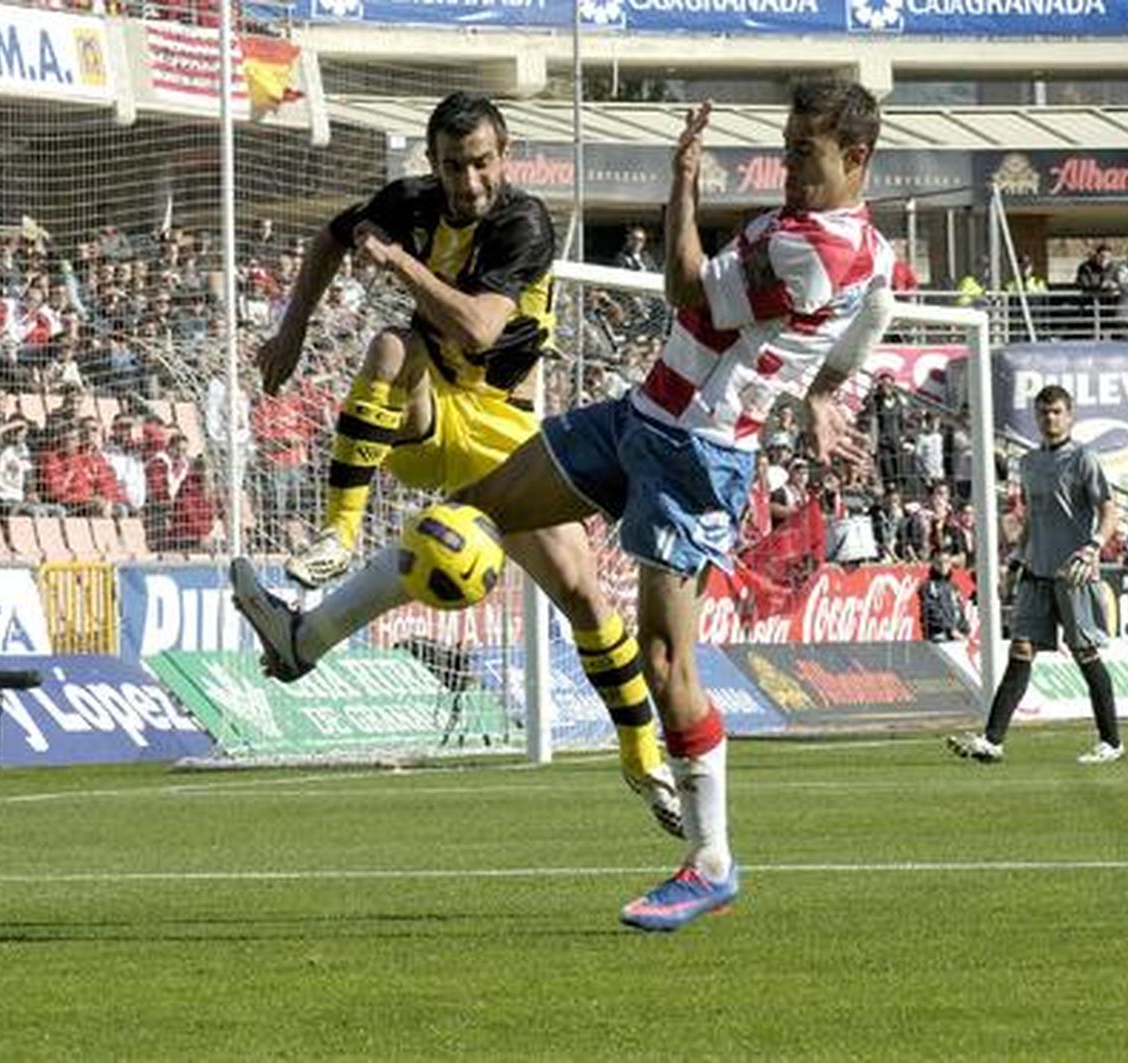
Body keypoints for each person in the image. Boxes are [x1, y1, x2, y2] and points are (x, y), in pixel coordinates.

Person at [231, 81, 896, 930]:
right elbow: (874, 312)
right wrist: (821, 388)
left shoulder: (815, 248)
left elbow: (684, 288)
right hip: (638, 418)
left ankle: (711, 858)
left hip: (698, 457)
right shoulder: (864, 248)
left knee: (666, 665)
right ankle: (305, 636)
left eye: (807, 152)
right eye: (788, 143)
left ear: (857, 159)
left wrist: (683, 180)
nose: (789, 163)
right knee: (467, 512)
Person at [240, 91, 682, 839]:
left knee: (585, 597)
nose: (468, 180)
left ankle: (644, 759)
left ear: (502, 159)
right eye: (452, 165)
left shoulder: (524, 223)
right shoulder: (407, 202)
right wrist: (291, 330)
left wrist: (401, 266)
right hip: (430, 406)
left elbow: (480, 329)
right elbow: (331, 236)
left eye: (480, 163)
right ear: (432, 163)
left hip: (506, 429)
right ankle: (337, 533)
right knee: (388, 348)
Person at [947, 384, 1124, 765]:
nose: (1050, 419)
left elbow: (1110, 510)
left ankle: (1111, 741)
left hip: (1073, 573)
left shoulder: (1083, 459)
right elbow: (1030, 518)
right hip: (1035, 571)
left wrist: (1093, 547)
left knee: (1084, 652)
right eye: (1044, 413)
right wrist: (1015, 560)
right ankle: (992, 740)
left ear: (1070, 415)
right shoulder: (1027, 463)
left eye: (1057, 412)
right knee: (1021, 649)